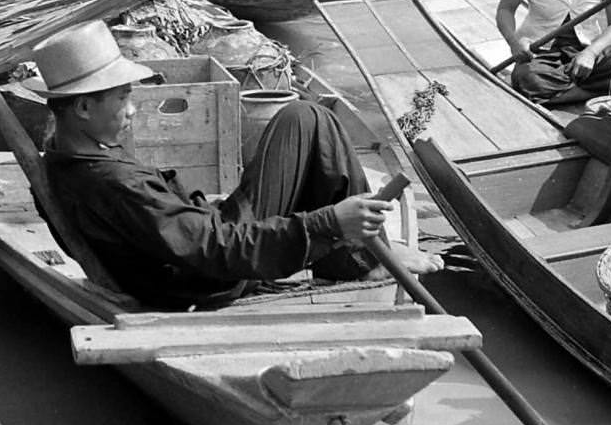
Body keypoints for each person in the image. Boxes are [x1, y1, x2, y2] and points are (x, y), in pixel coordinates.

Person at [30, 20, 441, 310]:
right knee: (309, 120)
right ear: (83, 107)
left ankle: (352, 256)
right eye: (123, 99)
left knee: (302, 118)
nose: (133, 110)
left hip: (198, 247)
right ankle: (362, 261)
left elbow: (182, 229)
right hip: (209, 275)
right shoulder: (111, 181)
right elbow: (214, 248)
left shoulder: (67, 156)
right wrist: (328, 222)